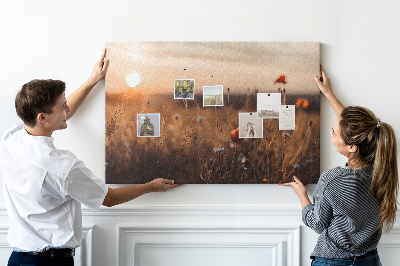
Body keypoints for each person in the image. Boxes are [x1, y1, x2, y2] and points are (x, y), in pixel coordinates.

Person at [0, 49, 180, 266]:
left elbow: (64, 114)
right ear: (43, 117)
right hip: (48, 262)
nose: (67, 108)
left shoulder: (11, 139)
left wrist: (91, 81)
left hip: (17, 258)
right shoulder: (62, 167)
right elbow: (110, 198)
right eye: (62, 106)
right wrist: (150, 186)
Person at [282, 66, 398, 265]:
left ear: (352, 147)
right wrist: (329, 94)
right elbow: (356, 129)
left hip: (333, 261)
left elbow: (317, 223)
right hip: (369, 260)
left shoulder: (332, 180)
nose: (331, 134)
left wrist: (302, 195)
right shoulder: (382, 168)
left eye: (334, 133)